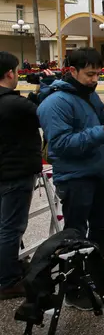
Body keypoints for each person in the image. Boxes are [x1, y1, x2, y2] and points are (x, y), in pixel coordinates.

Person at [37, 47, 104, 310]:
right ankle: (74, 288)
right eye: (90, 74)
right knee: (75, 236)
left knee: (102, 227)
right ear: (72, 71)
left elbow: (100, 119)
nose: (95, 79)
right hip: (74, 179)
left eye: (98, 73)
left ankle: (96, 274)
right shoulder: (55, 102)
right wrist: (99, 135)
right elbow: (60, 144)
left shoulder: (88, 94)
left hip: (96, 173)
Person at [0, 52, 44, 300]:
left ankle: (8, 270)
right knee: (11, 228)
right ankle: (7, 281)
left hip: (4, 171)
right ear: (9, 73)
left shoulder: (12, 103)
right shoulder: (14, 104)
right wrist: (46, 87)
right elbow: (40, 113)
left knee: (3, 226)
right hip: (16, 174)